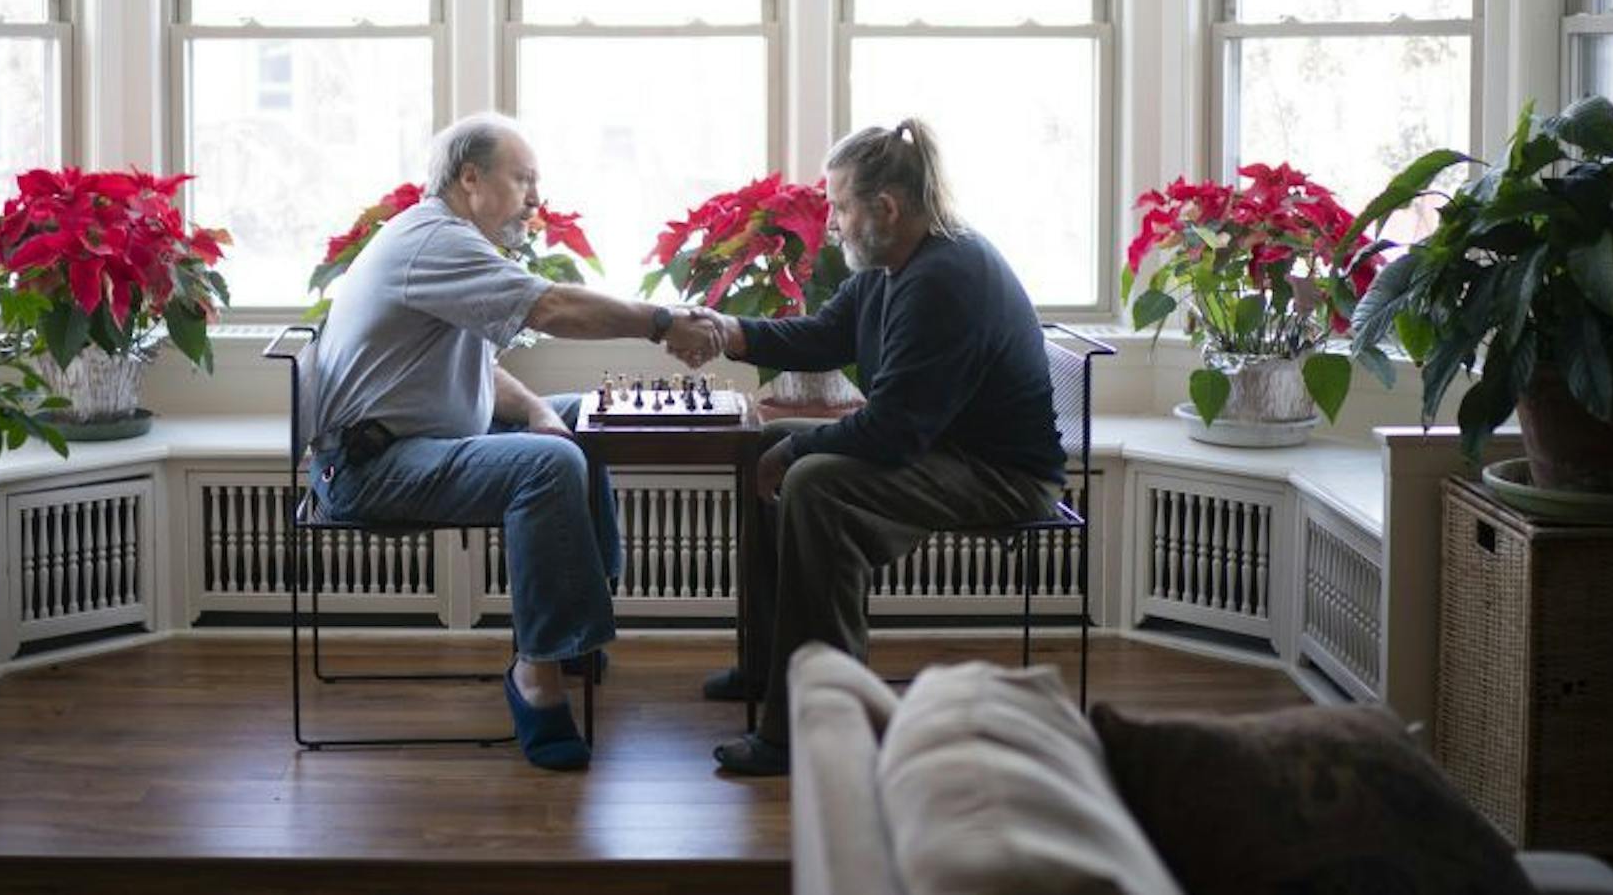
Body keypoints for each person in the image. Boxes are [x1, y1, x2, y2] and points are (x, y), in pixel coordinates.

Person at [309, 112, 725, 771]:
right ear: (470, 178)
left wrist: (536, 410)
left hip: (418, 441)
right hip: (371, 469)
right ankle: (537, 673)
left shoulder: (443, 238)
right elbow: (551, 308)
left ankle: (574, 633)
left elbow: (475, 369)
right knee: (548, 462)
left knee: (578, 422)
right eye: (523, 178)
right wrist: (661, 321)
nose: (536, 198)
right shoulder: (434, 242)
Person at [693, 118, 1062, 776]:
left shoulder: (946, 278)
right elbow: (822, 338)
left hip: (1000, 475)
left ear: (885, 207)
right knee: (767, 445)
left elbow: (894, 430)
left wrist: (796, 456)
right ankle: (768, 667)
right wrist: (728, 333)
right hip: (943, 449)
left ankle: (809, 727)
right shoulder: (895, 266)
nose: (831, 224)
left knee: (812, 482)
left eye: (839, 206)